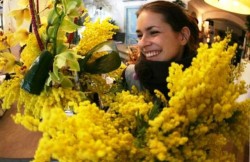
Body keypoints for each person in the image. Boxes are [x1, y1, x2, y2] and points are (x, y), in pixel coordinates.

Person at [123, 1, 199, 100]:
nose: (141, 43)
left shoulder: (208, 83)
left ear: (183, 36)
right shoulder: (130, 77)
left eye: (154, 32)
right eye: (140, 35)